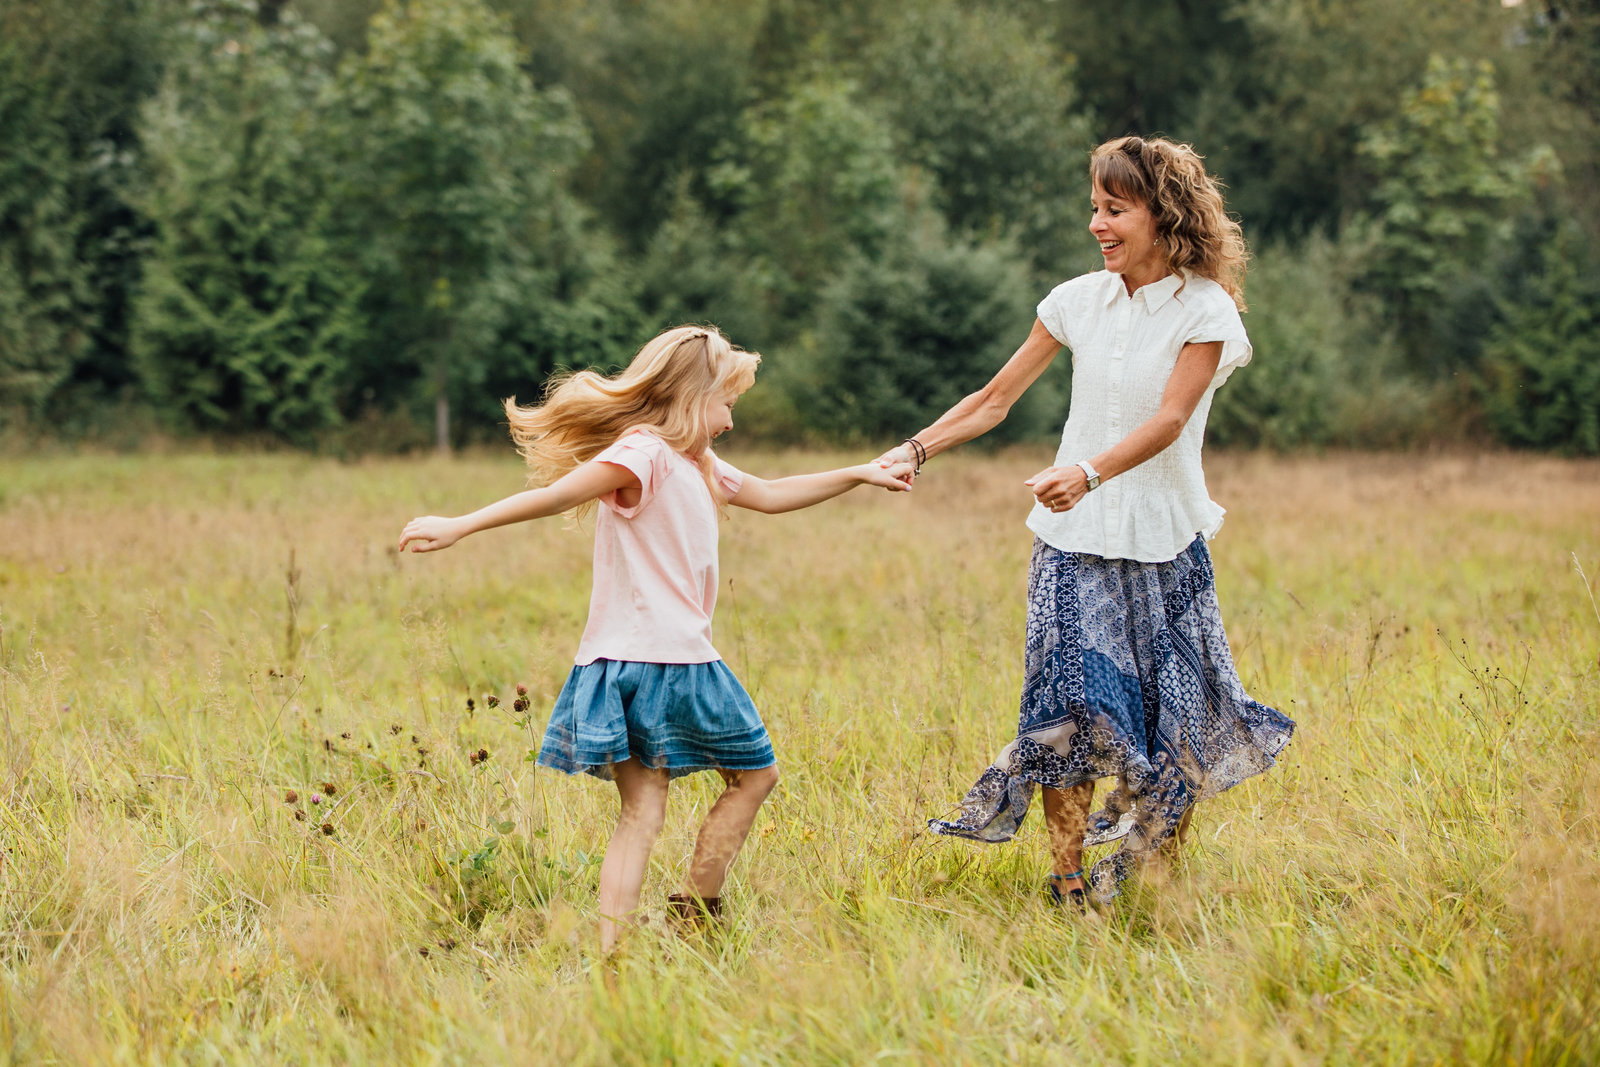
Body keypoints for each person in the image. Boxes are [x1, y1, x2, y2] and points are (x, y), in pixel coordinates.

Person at [399, 325, 914, 952]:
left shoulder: (693, 461)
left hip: (619, 663)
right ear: (693, 397)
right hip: (671, 658)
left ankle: (613, 951)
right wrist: (461, 524)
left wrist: (862, 472)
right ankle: (699, 908)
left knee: (641, 813)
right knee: (755, 777)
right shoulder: (644, 452)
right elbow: (561, 494)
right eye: (726, 403)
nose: (729, 420)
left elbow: (774, 494)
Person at [878, 136, 1295, 909]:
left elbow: (1172, 417)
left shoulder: (1205, 311)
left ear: (1162, 214)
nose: (1098, 224)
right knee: (1067, 714)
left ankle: (1148, 884)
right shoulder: (1077, 300)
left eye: (1115, 209)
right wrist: (914, 449)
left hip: (1165, 543)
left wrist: (1090, 471)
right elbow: (994, 398)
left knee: (1177, 719)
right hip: (1070, 547)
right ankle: (1067, 883)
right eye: (1095, 208)